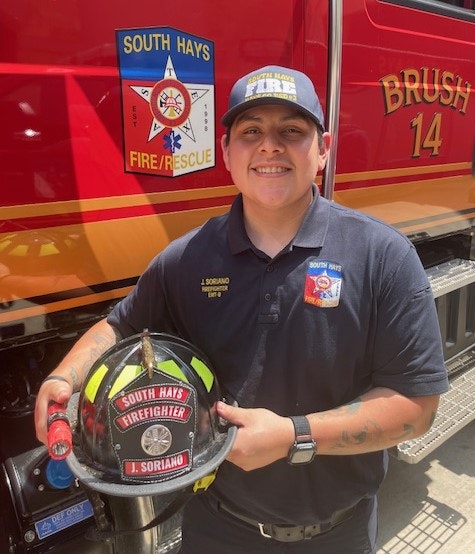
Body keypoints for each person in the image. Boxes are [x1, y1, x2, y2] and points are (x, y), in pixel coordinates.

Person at [35, 65, 448, 553]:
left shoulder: (383, 256)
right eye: (251, 131)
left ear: (324, 149)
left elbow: (416, 408)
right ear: (227, 152)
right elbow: (119, 326)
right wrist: (64, 377)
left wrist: (294, 436)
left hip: (338, 534)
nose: (270, 146)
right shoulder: (187, 259)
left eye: (291, 131)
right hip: (216, 529)